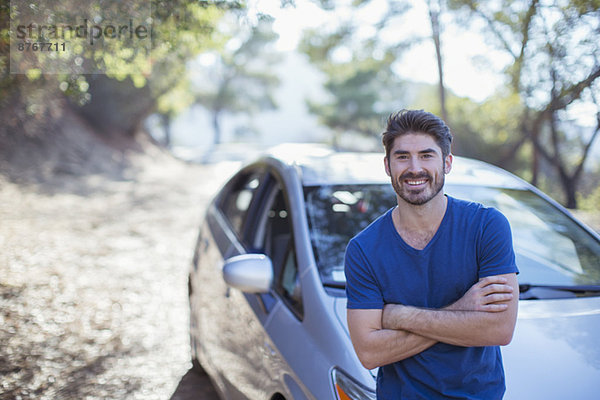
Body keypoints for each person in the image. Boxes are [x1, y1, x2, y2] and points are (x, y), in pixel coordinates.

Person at [344, 109, 519, 399]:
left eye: (426, 155)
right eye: (402, 157)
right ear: (387, 165)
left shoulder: (487, 226)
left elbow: (499, 329)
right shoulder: (364, 249)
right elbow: (369, 352)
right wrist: (462, 309)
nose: (415, 168)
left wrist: (399, 316)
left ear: (447, 162)